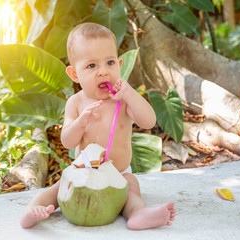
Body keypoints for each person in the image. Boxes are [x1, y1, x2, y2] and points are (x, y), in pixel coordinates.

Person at [20, 22, 176, 230]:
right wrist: (80, 122)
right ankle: (34, 209)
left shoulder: (122, 101)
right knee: (56, 190)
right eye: (92, 66)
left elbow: (149, 121)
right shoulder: (75, 103)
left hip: (119, 174)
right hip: (83, 173)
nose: (103, 72)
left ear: (119, 64)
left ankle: (137, 214)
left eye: (110, 62)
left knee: (131, 186)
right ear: (75, 74)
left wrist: (130, 95)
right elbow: (67, 141)